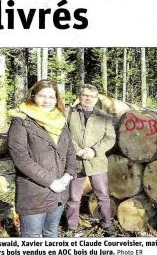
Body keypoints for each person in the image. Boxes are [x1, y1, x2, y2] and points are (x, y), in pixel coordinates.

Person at [7, 80, 76, 237]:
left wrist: (68, 174)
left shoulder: (60, 120)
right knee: (33, 237)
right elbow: (21, 158)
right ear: (33, 96)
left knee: (51, 233)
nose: (47, 101)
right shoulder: (21, 121)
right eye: (42, 96)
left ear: (56, 99)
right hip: (34, 193)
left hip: (59, 193)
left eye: (51, 97)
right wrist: (51, 182)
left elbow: (70, 150)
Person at [65, 84, 116, 236]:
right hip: (75, 162)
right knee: (73, 198)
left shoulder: (104, 117)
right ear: (80, 96)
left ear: (96, 99)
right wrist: (78, 150)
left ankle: (106, 224)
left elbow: (110, 138)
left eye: (92, 96)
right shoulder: (70, 114)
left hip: (97, 162)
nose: (88, 98)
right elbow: (64, 135)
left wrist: (94, 151)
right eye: (85, 95)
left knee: (103, 196)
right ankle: (71, 227)